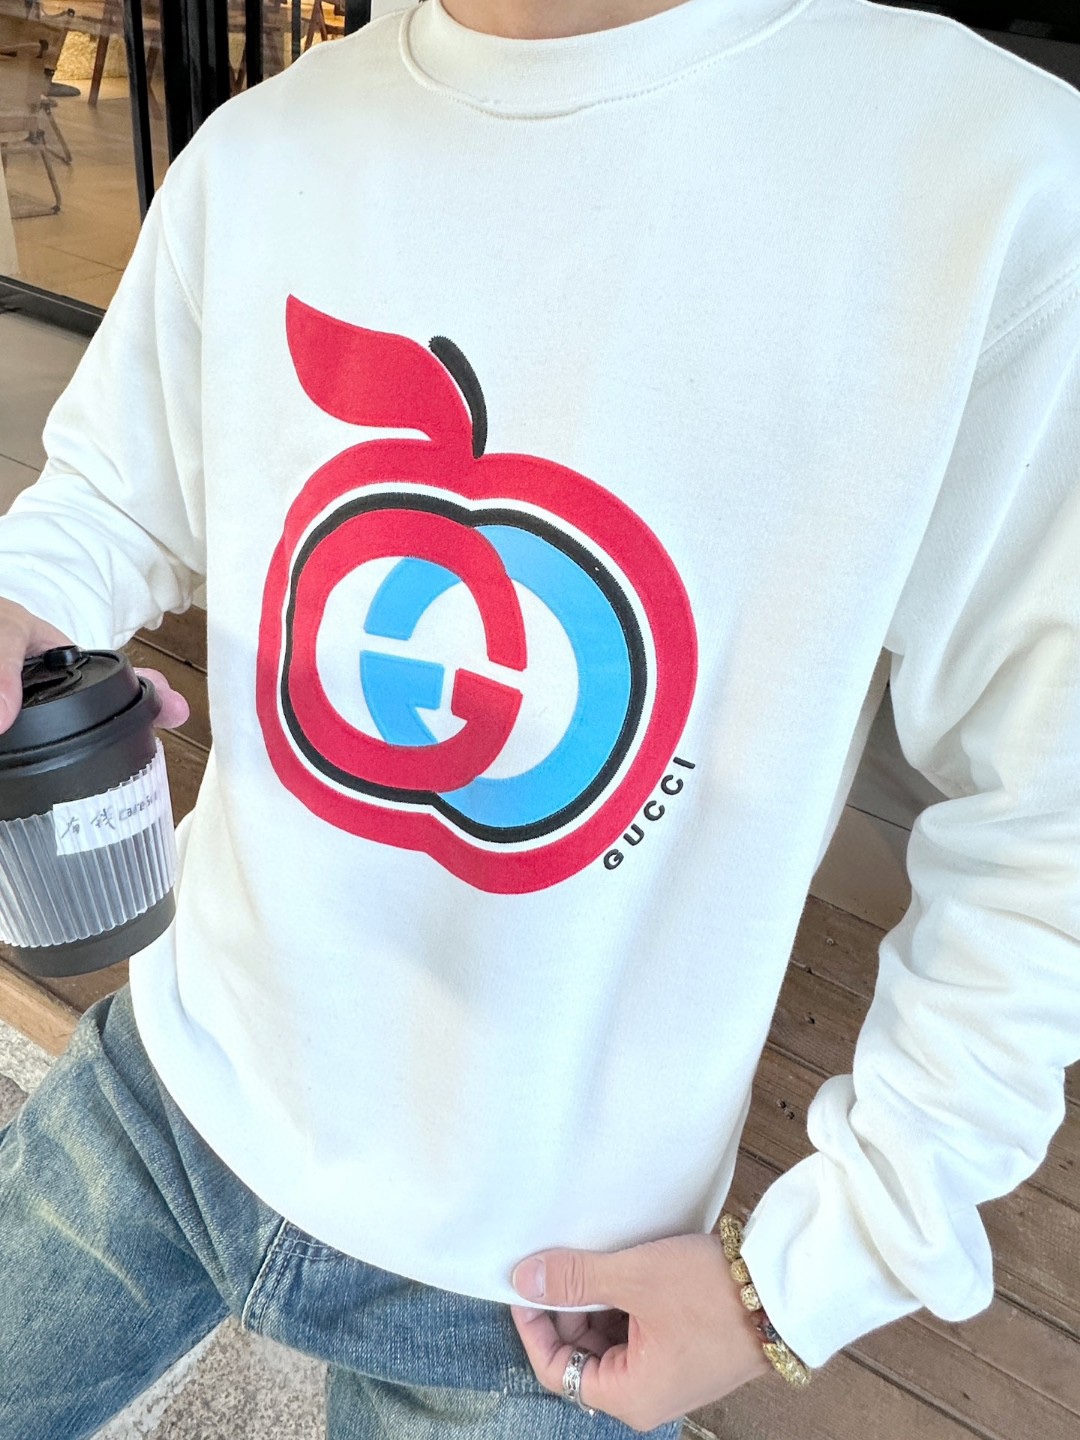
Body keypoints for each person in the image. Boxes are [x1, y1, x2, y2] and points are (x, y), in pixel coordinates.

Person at [1, 0, 1078, 1435]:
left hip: (547, 1278)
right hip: (177, 1074)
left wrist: (814, 1274)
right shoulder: (262, 147)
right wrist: (25, 596)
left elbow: (1049, 817)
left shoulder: (989, 187)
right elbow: (119, 491)